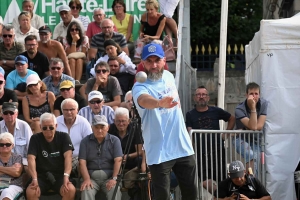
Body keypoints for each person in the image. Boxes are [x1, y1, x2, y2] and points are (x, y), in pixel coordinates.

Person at [132, 43, 197, 200]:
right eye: (149, 61)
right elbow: (143, 100)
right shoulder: (139, 86)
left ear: (164, 60)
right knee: (162, 196)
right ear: (142, 62)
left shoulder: (168, 76)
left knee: (191, 193)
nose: (154, 65)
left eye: (157, 60)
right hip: (159, 151)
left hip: (182, 145)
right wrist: (159, 103)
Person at [186, 86, 235, 193]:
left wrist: (225, 135)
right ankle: (220, 196)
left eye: (204, 95)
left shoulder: (216, 111)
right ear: (195, 98)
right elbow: (189, 132)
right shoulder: (190, 114)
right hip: (200, 153)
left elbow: (232, 118)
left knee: (222, 179)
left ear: (208, 98)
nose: (201, 97)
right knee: (204, 180)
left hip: (217, 151)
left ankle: (223, 196)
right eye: (198, 95)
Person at [26, 112, 76, 200]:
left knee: (70, 190)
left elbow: (68, 157)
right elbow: (31, 159)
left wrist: (66, 176)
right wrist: (34, 178)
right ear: (40, 127)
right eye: (44, 128)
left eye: (51, 127)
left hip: (60, 175)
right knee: (31, 192)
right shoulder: (35, 138)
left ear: (56, 126)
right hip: (41, 175)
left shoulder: (64, 136)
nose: (48, 129)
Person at [79, 115, 123, 200]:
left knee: (114, 189)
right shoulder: (85, 141)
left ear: (108, 127)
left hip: (110, 177)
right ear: (92, 128)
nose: (99, 130)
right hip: (91, 178)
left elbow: (118, 160)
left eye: (102, 127)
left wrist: (114, 178)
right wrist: (87, 179)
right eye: (96, 127)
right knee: (86, 189)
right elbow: (82, 162)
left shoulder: (115, 140)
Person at [234, 82, 268, 174]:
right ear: (246, 95)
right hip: (240, 139)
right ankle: (249, 183)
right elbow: (254, 127)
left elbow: (259, 126)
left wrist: (247, 128)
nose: (254, 96)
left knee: (255, 166)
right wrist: (253, 108)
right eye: (251, 94)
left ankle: (250, 184)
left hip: (256, 141)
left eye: (256, 94)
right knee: (251, 155)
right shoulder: (239, 109)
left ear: (259, 95)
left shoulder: (263, 104)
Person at [56, 98, 92, 176]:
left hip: (78, 157)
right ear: (62, 110)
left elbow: (90, 142)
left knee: (82, 164)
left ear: (77, 110)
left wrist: (82, 158)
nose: (69, 112)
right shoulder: (56, 122)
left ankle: (80, 184)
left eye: (71, 109)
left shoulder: (84, 122)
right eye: (65, 110)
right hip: (60, 157)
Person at [0, 102, 32, 166]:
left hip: (23, 161)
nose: (8, 115)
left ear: (16, 114)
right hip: (3, 161)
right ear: (2, 115)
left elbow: (30, 148)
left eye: (11, 113)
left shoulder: (24, 126)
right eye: (6, 113)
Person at [0, 132, 24, 200]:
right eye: (1, 144)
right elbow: (13, 172)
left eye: (8, 144)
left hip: (14, 185)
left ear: (12, 145)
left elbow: (16, 173)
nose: (4, 146)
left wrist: (1, 169)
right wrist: (10, 169)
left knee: (6, 193)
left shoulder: (17, 157)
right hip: (1, 184)